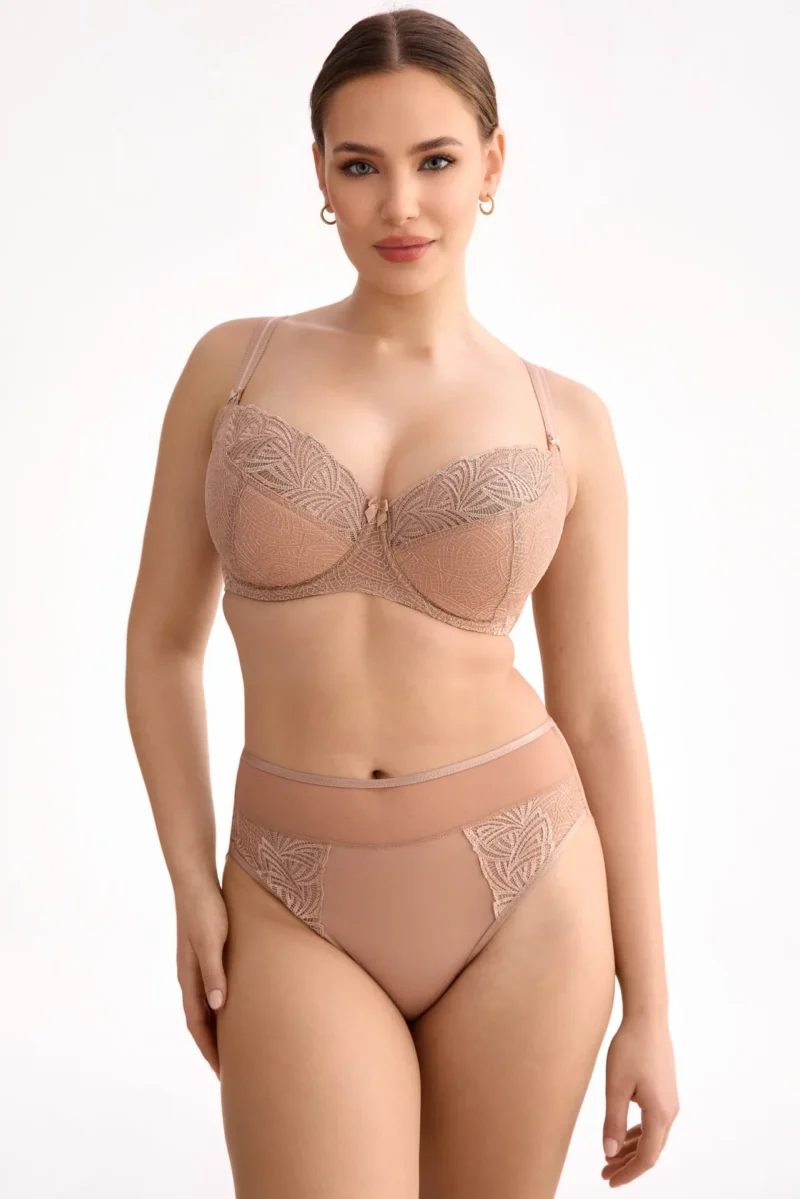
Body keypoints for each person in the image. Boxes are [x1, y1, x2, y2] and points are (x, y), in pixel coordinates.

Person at [125, 7, 679, 1196]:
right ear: (318, 175)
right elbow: (162, 645)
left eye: (433, 160)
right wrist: (189, 881)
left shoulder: (566, 421)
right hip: (289, 885)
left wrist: (650, 1004)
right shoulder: (233, 369)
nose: (401, 206)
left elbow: (598, 711)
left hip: (528, 883)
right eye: (360, 165)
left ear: (491, 162)